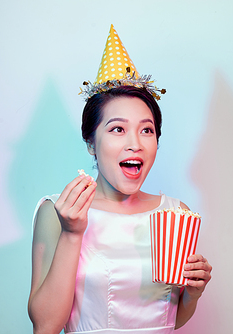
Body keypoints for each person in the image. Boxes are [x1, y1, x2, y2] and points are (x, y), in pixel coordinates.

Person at [28, 26, 212, 334]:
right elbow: (46, 326)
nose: (135, 144)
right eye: (117, 129)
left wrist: (192, 294)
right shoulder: (59, 211)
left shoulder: (176, 214)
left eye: (146, 130)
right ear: (91, 143)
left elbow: (168, 320)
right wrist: (73, 233)